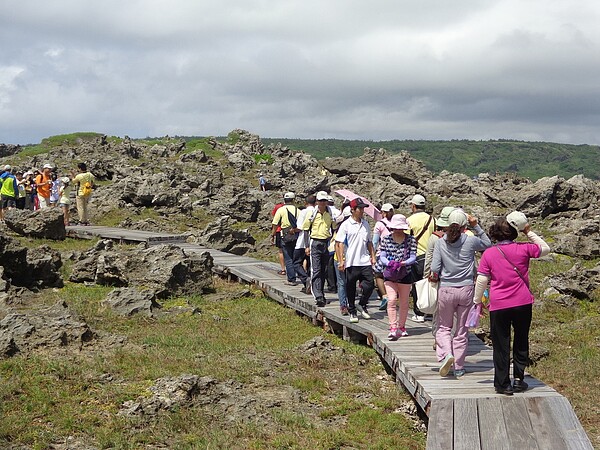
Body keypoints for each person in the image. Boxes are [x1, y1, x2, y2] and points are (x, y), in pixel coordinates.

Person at [473, 211, 550, 395]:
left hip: (499, 304)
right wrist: (528, 231)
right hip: (523, 302)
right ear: (515, 232)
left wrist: (478, 302)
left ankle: (502, 383)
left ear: (495, 233)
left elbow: (482, 280)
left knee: (501, 344)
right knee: (521, 339)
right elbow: (545, 248)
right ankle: (518, 379)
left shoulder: (489, 254)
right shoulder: (524, 249)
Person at [431, 210, 491, 378]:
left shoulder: (440, 242)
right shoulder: (470, 241)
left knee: (444, 327)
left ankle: (446, 354)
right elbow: (487, 244)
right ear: (465, 226)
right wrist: (476, 226)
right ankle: (459, 366)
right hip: (466, 289)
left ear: (448, 224)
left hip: (446, 290)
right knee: (461, 331)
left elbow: (435, 268)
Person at [373, 214, 417, 339]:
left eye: (400, 228)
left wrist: (403, 263)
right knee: (391, 300)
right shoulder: (386, 239)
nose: (398, 230)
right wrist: (389, 263)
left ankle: (402, 327)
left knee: (404, 302)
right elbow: (382, 256)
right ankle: (393, 327)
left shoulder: (411, 240)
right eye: (396, 228)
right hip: (390, 273)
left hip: (405, 273)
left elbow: (413, 257)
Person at [335, 197, 376, 323]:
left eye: (363, 208)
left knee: (370, 284)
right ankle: (352, 310)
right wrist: (341, 260)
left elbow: (369, 242)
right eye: (360, 208)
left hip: (364, 260)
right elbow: (339, 243)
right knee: (350, 287)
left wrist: (373, 256)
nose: (362, 211)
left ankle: (362, 304)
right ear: (353, 210)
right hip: (351, 261)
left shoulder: (365, 224)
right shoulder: (346, 225)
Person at [407, 194, 436, 322]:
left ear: (413, 206)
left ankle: (419, 313)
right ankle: (430, 310)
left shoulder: (409, 220)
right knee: (430, 284)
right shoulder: (432, 219)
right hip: (432, 256)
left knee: (416, 285)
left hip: (416, 255)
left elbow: (407, 239)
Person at [302, 191, 333, 307]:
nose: (323, 203)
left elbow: (333, 227)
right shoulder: (312, 213)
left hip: (326, 242)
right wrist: (306, 246)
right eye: (320, 201)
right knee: (316, 270)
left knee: (324, 270)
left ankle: (321, 293)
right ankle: (318, 295)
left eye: (324, 201)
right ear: (317, 202)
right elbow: (306, 229)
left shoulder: (329, 213)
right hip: (315, 241)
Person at [271, 192, 300, 286]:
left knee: (288, 258)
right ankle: (301, 275)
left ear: (284, 200)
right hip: (296, 235)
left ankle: (291, 279)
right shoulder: (297, 210)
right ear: (293, 200)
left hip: (285, 235)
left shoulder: (281, 210)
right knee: (296, 257)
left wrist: (273, 234)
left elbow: (275, 223)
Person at [373, 203, 394, 310]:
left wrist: (372, 254)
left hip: (382, 254)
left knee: (379, 275)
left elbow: (375, 241)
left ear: (384, 213)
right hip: (395, 254)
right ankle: (392, 296)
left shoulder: (379, 224)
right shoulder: (396, 223)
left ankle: (385, 296)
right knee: (390, 277)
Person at [294, 195, 315, 294]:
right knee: (312, 264)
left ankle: (305, 279)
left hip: (303, 241)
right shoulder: (317, 211)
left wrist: (292, 231)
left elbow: (300, 226)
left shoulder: (304, 212)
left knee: (296, 262)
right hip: (315, 239)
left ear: (305, 203)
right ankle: (312, 284)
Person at [270, 201, 287, 276]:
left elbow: (274, 218)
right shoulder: (292, 208)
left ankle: (283, 269)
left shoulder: (278, 207)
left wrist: (272, 235)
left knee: (281, 251)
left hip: (279, 230)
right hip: (289, 231)